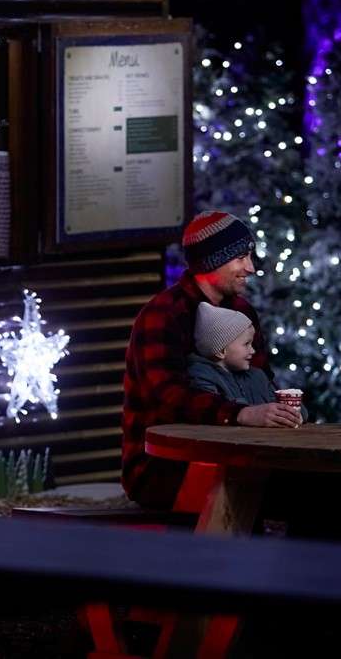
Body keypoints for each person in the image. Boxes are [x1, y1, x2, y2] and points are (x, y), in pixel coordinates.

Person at [122, 211, 300, 510]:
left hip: (242, 456)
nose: (251, 268)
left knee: (323, 493)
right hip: (166, 466)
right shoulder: (163, 316)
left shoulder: (242, 312)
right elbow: (168, 398)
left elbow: (260, 379)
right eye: (241, 257)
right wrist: (241, 414)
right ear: (213, 260)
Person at [187, 302, 307, 425]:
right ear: (221, 351)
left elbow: (281, 408)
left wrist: (293, 412)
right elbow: (212, 414)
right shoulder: (202, 377)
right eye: (246, 344)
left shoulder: (257, 376)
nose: (253, 350)